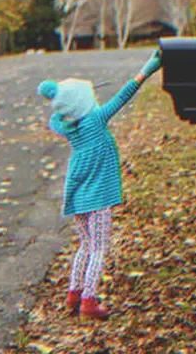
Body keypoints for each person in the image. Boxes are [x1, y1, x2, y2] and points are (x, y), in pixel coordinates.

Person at [36, 50, 162, 320]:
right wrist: (147, 70)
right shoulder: (96, 120)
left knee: (84, 245)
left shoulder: (68, 128)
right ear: (83, 103)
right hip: (99, 198)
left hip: (78, 197)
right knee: (99, 248)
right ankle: (89, 300)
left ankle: (73, 292)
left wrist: (61, 103)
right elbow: (123, 96)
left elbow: (55, 119)